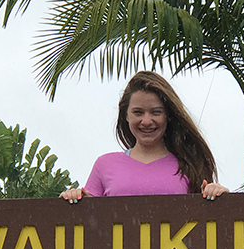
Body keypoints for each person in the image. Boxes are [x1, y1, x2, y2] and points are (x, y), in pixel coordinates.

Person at [61, 71, 228, 203]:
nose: (146, 121)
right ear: (126, 116)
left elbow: (209, 225)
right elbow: (86, 223)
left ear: (168, 116)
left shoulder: (189, 165)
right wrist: (73, 198)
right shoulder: (104, 165)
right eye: (138, 112)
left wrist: (222, 198)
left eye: (156, 112)